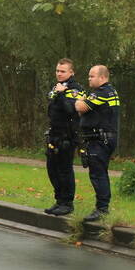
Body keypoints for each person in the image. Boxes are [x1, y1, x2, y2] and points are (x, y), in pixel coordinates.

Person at [75, 65, 120, 222]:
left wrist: (79, 98)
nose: (89, 79)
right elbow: (83, 112)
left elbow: (80, 107)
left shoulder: (102, 92)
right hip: (102, 138)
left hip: (100, 140)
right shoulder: (108, 92)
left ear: (102, 77)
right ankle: (102, 207)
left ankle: (102, 209)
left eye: (92, 76)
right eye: (89, 76)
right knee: (100, 173)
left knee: (98, 174)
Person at [43, 58, 82, 215]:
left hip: (67, 135)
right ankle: (59, 200)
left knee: (64, 170)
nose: (59, 73)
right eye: (57, 70)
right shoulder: (58, 87)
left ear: (71, 72)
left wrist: (61, 94)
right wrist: (58, 92)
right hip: (54, 134)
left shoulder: (75, 89)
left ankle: (67, 203)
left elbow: (70, 109)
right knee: (52, 169)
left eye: (63, 71)